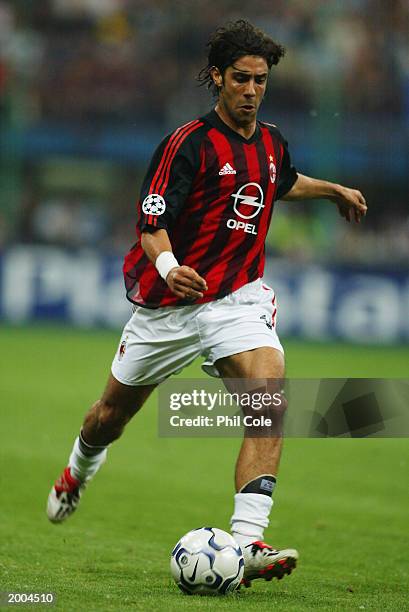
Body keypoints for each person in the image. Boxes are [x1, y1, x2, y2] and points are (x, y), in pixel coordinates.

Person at [46, 19, 367, 587]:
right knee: (109, 417)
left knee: (268, 401)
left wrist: (333, 189)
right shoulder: (187, 143)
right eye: (240, 79)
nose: (251, 90)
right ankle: (77, 472)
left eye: (260, 80)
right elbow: (152, 224)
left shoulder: (271, 140)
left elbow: (280, 181)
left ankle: (247, 544)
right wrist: (171, 270)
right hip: (168, 306)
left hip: (236, 301)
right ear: (217, 77)